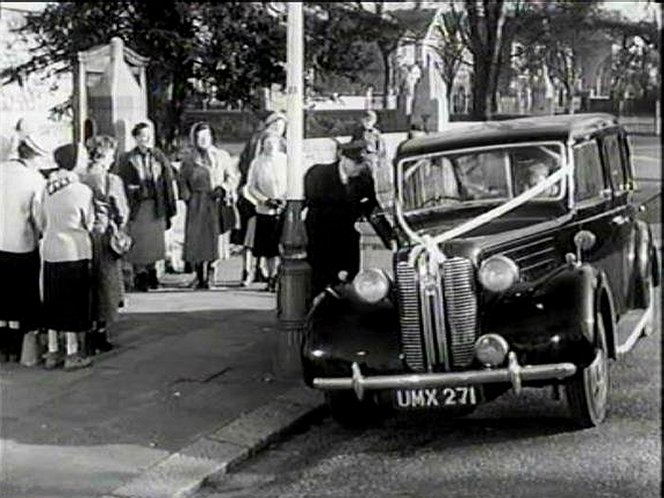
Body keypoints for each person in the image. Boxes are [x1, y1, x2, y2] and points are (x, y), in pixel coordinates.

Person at [40, 142, 96, 370]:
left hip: (51, 249)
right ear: (74, 162)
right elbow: (89, 222)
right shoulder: (82, 190)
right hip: (75, 250)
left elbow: (41, 220)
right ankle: (72, 353)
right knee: (74, 302)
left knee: (53, 301)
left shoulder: (46, 188)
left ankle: (53, 351)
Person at [304, 139, 379, 295]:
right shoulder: (317, 174)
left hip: (347, 240)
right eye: (356, 163)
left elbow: (371, 203)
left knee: (347, 287)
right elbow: (315, 202)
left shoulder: (364, 179)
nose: (359, 168)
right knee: (319, 285)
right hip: (321, 239)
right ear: (343, 158)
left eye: (362, 164)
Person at [79, 136, 129, 353]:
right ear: (105, 155)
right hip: (104, 235)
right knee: (106, 285)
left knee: (87, 283)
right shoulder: (111, 180)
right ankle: (100, 332)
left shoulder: (79, 177)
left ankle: (86, 330)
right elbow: (122, 212)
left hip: (83, 235)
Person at [0, 132, 47, 362]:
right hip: (22, 244)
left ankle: (3, 341)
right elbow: (38, 217)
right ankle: (20, 344)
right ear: (34, 156)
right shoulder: (34, 179)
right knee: (22, 295)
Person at [116, 122, 177, 291]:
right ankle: (140, 274)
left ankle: (152, 272)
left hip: (155, 205)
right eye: (142, 135)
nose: (146, 139)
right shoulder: (126, 159)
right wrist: (132, 189)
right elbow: (120, 182)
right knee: (138, 243)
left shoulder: (158, 156)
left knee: (155, 243)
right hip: (137, 206)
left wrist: (170, 207)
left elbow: (168, 181)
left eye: (149, 135)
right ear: (135, 138)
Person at [179, 122, 239, 289]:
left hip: (216, 202)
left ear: (212, 137)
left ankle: (212, 273)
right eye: (199, 137)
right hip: (197, 202)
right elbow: (182, 180)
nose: (203, 140)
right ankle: (199, 275)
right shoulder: (189, 158)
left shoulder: (222, 156)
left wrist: (224, 188)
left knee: (216, 238)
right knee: (197, 239)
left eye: (206, 136)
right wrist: (188, 197)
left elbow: (232, 177)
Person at [234, 111, 287, 286]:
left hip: (279, 203)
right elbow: (249, 179)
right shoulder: (256, 149)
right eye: (276, 125)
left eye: (282, 127)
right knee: (252, 239)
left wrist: (283, 198)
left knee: (276, 242)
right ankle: (249, 271)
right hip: (255, 202)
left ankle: (272, 275)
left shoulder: (284, 153)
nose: (279, 129)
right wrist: (261, 199)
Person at [245, 132, 288, 292]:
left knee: (283, 245)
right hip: (265, 209)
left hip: (284, 207)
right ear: (262, 144)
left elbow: (294, 181)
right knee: (269, 249)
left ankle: (282, 277)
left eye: (273, 143)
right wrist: (264, 200)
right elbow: (251, 186)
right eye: (267, 143)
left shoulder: (285, 160)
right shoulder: (257, 162)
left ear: (278, 144)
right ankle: (271, 277)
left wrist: (284, 199)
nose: (270, 146)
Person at [350, 110, 387, 174]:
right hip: (359, 157)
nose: (367, 123)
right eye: (365, 120)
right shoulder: (358, 132)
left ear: (374, 121)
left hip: (371, 157)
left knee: (372, 174)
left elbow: (381, 148)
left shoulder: (376, 133)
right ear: (362, 121)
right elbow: (353, 144)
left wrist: (379, 159)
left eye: (369, 121)